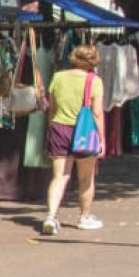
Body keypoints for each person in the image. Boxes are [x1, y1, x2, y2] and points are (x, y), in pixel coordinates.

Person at [39, 44, 107, 235]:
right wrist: (101, 139)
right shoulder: (94, 81)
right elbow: (97, 113)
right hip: (84, 132)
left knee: (59, 176)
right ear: (93, 61)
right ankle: (84, 217)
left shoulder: (58, 77)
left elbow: (51, 106)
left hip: (59, 128)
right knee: (86, 177)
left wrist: (51, 126)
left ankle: (51, 216)